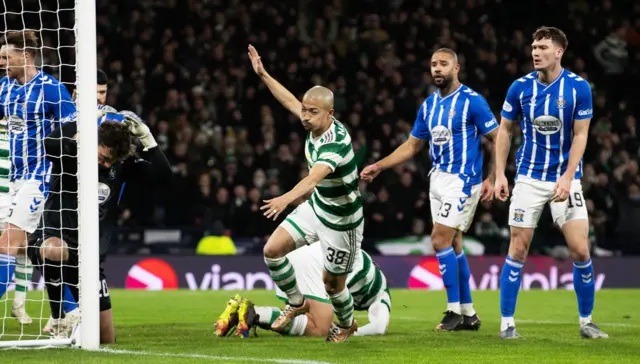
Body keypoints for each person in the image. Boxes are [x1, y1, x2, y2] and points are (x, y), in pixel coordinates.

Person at [360, 48, 498, 331]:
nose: (437, 69)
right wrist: (380, 166)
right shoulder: (428, 106)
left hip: (463, 180)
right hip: (437, 180)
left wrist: (494, 177)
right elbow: (412, 146)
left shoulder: (473, 101)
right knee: (453, 243)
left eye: (443, 64)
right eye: (433, 64)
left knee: (438, 240)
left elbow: (499, 137)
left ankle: (452, 310)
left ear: (456, 67)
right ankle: (469, 313)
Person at [494, 26, 608, 339]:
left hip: (564, 178)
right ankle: (507, 325)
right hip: (529, 178)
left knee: (580, 250)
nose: (535, 52)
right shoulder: (519, 87)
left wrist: (569, 177)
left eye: (543, 47)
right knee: (518, 248)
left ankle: (586, 322)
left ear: (559, 51)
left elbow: (581, 135)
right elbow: (504, 130)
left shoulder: (577, 88)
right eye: (533, 46)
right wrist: (500, 173)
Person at [248, 45, 361, 343]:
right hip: (318, 207)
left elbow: (313, 179)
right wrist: (263, 74)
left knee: (332, 285)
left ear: (330, 113)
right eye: (305, 110)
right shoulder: (311, 121)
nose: (305, 117)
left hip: (342, 220)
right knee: (272, 251)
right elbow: (289, 100)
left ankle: (347, 323)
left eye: (313, 112)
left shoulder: (335, 142)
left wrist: (285, 198)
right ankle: (297, 304)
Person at [28, 110, 172, 341]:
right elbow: (50, 143)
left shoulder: (120, 166)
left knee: (105, 339)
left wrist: (147, 139)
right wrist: (84, 120)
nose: (105, 164)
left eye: (111, 161)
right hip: (54, 235)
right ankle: (61, 316)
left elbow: (164, 177)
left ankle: (73, 318)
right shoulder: (73, 152)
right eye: (103, 157)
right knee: (54, 249)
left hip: (90, 257)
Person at [0, 31, 77, 324]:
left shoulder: (52, 89)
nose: (2, 62)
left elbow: (74, 131)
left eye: (7, 57)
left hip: (41, 176)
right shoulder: (4, 88)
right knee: (30, 249)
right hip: (14, 178)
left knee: (7, 243)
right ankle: (73, 311)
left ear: (26, 56)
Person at [215, 243, 390, 338]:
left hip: (294, 255)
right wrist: (347, 330)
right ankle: (255, 313)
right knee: (321, 329)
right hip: (317, 265)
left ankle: (249, 313)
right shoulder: (380, 291)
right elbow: (379, 326)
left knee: (304, 319)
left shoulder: (364, 265)